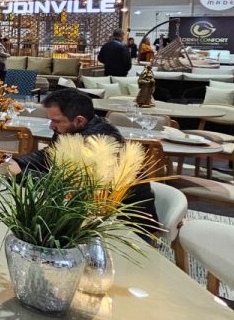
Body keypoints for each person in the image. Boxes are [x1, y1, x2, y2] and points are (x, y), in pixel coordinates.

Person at [10, 89, 156, 223]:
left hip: (128, 225)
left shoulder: (101, 143)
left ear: (79, 121)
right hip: (92, 218)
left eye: (56, 121)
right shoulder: (71, 131)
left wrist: (21, 175)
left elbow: (72, 188)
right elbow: (49, 155)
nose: (51, 126)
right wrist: (17, 162)